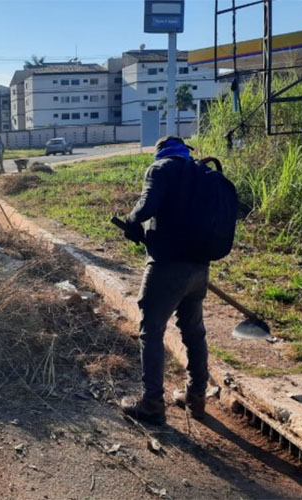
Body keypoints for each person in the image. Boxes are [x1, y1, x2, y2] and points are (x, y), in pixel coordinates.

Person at [120, 136, 209, 426]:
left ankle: (152, 404)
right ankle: (196, 396)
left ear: (160, 153)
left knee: (152, 329)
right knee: (193, 330)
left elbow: (145, 208)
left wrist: (131, 222)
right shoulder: (202, 173)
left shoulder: (160, 169)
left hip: (167, 267)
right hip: (199, 267)